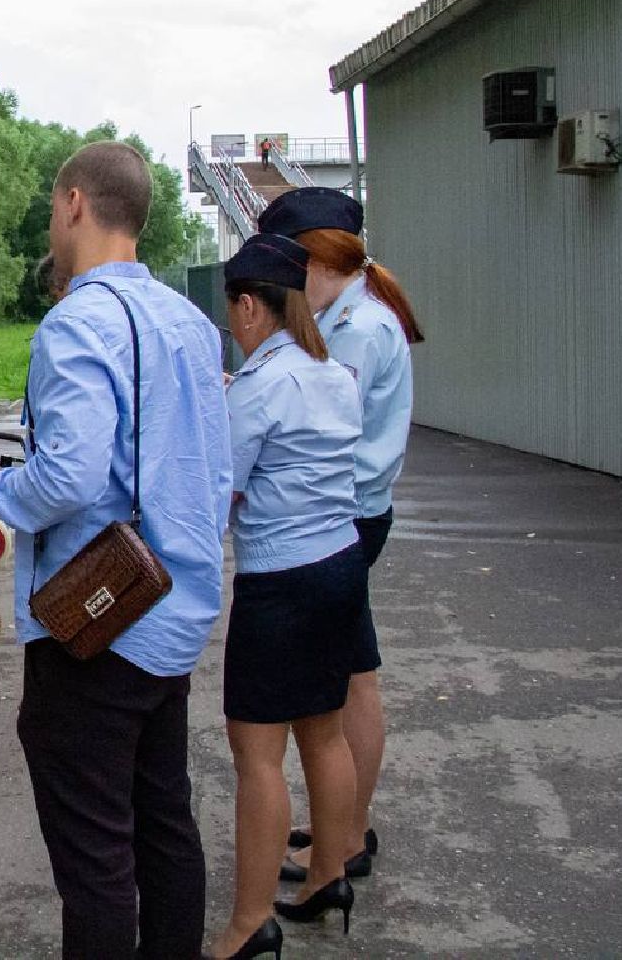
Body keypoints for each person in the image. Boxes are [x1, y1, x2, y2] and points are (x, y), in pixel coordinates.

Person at [0, 140, 233, 959]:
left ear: (73, 202)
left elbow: (67, 477)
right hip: (171, 610)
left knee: (95, 858)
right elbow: (211, 471)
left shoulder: (76, 324)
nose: (50, 219)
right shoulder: (190, 323)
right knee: (163, 822)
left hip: (95, 624)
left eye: (49, 207)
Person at [204, 234, 365, 959]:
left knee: (257, 757)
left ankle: (247, 925)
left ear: (247, 306)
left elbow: (220, 493)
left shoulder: (260, 387)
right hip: (339, 565)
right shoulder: (333, 374)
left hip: (280, 581)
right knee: (323, 732)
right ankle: (328, 872)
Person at [256, 187, 423, 883]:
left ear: (319, 258)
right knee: (353, 672)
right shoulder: (352, 316)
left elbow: (318, 434)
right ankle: (345, 825)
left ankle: (344, 837)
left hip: (340, 520)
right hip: (350, 515)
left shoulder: (356, 329)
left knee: (335, 685)